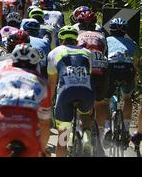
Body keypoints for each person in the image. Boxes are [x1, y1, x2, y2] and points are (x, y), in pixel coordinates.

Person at [0, 44, 51, 157]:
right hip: (29, 126)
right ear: (36, 64)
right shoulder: (43, 82)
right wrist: (42, 150)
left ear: (12, 61)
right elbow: (45, 123)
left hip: (1, 123)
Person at [47, 26, 94, 157]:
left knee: (62, 138)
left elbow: (52, 82)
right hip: (86, 92)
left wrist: (49, 103)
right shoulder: (87, 52)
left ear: (60, 39)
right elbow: (88, 74)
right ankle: (86, 135)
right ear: (76, 39)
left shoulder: (54, 52)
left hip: (65, 93)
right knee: (85, 114)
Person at [76, 11, 110, 150]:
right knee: (100, 103)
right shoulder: (102, 36)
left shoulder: (77, 34)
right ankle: (101, 136)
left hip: (83, 71)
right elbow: (105, 53)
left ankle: (80, 131)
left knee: (81, 103)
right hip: (101, 71)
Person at [106, 18, 140, 147]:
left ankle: (107, 128)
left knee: (104, 101)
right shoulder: (133, 43)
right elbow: (136, 65)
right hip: (127, 70)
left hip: (111, 70)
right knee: (127, 98)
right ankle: (126, 129)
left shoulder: (105, 41)